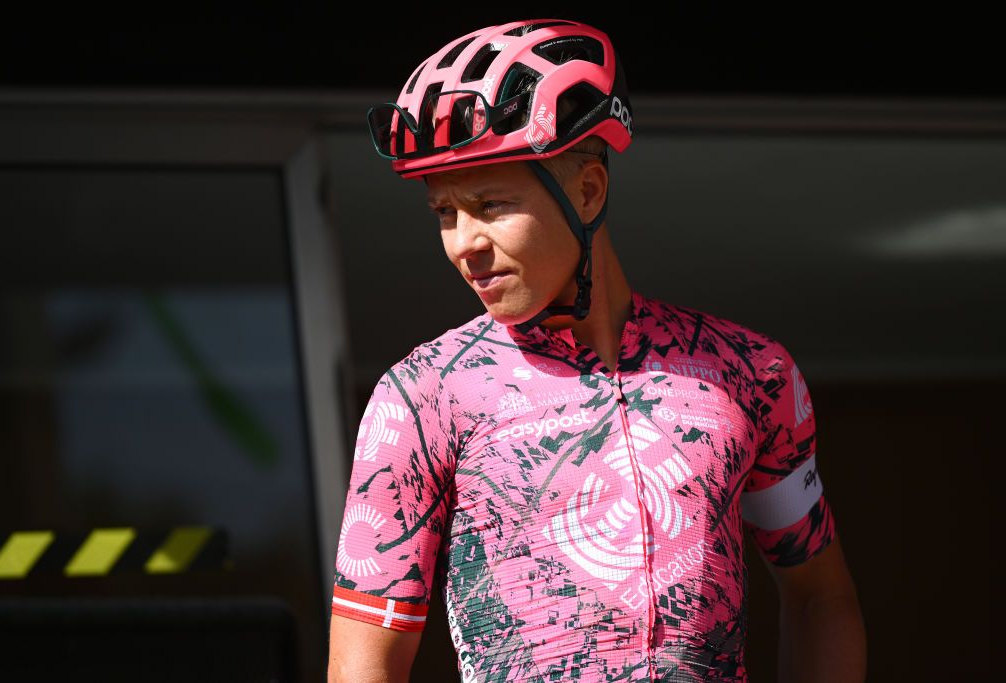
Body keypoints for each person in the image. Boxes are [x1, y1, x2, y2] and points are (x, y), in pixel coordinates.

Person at [328, 18, 865, 683]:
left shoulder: (749, 372)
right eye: (444, 211)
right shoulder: (420, 396)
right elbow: (362, 668)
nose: (464, 242)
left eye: (491, 204)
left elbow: (822, 599)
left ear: (587, 191)